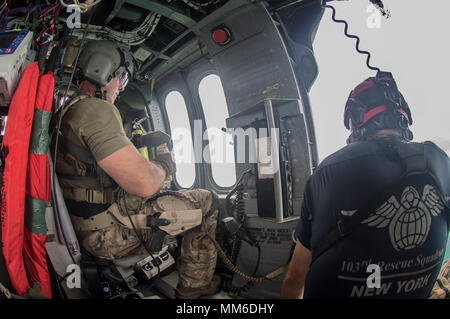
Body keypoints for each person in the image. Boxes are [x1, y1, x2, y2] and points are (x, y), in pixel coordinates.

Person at [55, 40, 221, 299]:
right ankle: (194, 286)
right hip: (106, 234)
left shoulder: (67, 110)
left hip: (86, 222)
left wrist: (141, 141)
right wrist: (166, 161)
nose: (121, 85)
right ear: (102, 69)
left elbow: (87, 156)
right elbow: (145, 183)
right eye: (120, 76)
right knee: (206, 199)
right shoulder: (96, 109)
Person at [281, 72, 450, 299]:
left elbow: (295, 278)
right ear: (404, 117)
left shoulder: (328, 172)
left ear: (356, 119)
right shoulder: (441, 163)